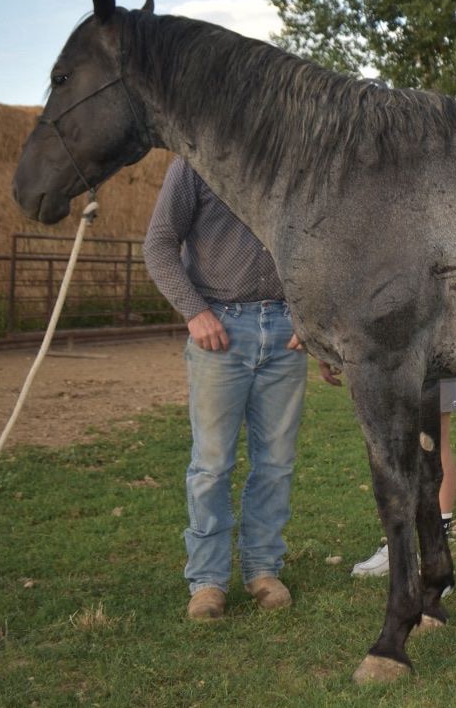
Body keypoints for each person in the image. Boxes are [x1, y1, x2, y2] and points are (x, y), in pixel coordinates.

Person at [144, 156, 309, 620]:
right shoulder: (193, 164)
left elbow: (321, 243)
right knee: (212, 464)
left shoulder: (290, 164)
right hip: (219, 324)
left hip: (286, 327)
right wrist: (194, 311)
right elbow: (158, 244)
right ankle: (208, 581)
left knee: (276, 463)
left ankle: (262, 569)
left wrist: (310, 316)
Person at [349, 377, 456, 577]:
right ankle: (400, 549)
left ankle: (436, 548)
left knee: (435, 440)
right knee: (398, 444)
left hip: (435, 358)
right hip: (395, 361)